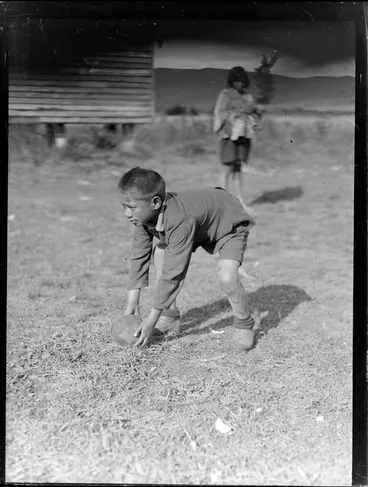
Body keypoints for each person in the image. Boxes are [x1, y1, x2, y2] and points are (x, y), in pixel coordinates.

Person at [118, 166, 257, 351]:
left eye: (131, 208)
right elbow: (138, 258)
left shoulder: (179, 218)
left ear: (156, 202)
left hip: (228, 224)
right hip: (199, 225)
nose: (127, 214)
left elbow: (174, 273)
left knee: (227, 279)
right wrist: (131, 305)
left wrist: (151, 319)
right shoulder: (142, 218)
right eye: (124, 207)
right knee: (160, 254)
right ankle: (169, 318)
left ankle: (244, 323)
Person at [213, 66, 262, 214]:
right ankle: (222, 204)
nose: (240, 84)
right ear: (232, 81)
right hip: (229, 135)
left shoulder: (248, 97)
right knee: (227, 168)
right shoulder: (225, 95)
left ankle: (241, 201)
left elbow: (256, 113)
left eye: (242, 81)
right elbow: (220, 113)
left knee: (238, 168)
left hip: (243, 135)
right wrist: (237, 114)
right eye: (237, 81)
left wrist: (253, 115)